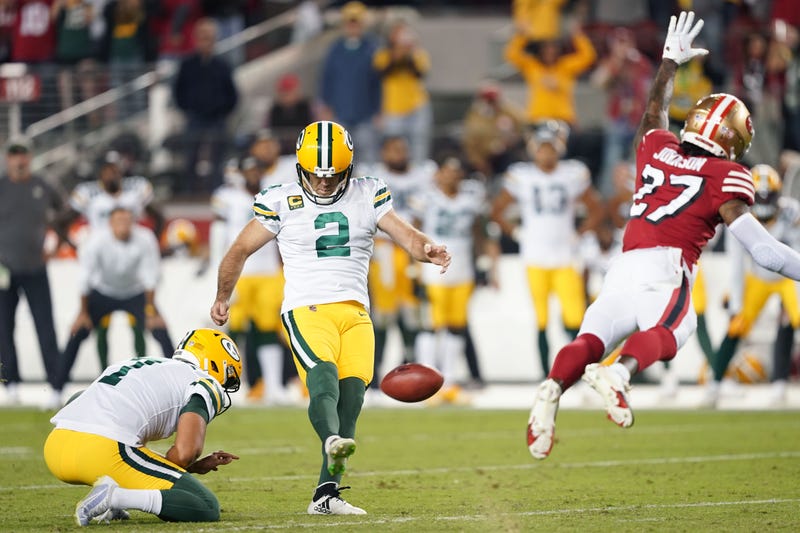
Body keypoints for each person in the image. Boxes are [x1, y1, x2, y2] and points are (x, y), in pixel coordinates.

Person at [526, 11, 800, 461]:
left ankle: (553, 387)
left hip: (625, 263)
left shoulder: (657, 150)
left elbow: (653, 112)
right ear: (731, 139)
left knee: (590, 338)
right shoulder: (726, 175)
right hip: (666, 268)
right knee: (679, 326)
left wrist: (669, 62)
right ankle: (621, 374)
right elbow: (766, 253)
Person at [210, 120, 451, 515]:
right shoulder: (279, 200)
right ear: (301, 168)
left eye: (333, 174)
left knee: (353, 397)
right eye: (316, 174)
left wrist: (429, 249)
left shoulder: (368, 193)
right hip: (306, 308)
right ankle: (329, 441)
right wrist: (223, 296)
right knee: (323, 379)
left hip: (356, 310)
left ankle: (326, 494)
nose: (323, 183)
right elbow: (239, 249)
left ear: (349, 168)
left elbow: (406, 236)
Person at [44, 328, 242, 525]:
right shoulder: (204, 382)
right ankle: (115, 497)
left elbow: (77, 399)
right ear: (216, 364)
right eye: (229, 376)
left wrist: (192, 467)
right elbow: (184, 454)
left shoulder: (141, 363)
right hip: (101, 451)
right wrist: (188, 463)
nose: (226, 384)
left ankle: (115, 493)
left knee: (132, 436)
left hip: (56, 446)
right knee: (205, 505)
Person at [490, 120, 604, 379]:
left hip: (565, 256)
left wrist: (580, 233)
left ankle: (579, 371)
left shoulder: (572, 173)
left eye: (550, 148)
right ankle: (547, 377)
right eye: (541, 148)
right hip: (535, 257)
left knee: (574, 318)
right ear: (533, 150)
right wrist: (517, 233)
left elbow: (597, 209)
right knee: (541, 319)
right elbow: (497, 211)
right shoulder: (522, 175)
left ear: (559, 148)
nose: (546, 153)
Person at [704, 164, 800, 407]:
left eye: (769, 196)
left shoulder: (792, 213)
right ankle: (715, 384)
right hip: (758, 277)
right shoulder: (738, 214)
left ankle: (780, 383)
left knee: (795, 317)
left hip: (789, 278)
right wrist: (736, 302)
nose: (765, 202)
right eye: (761, 196)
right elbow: (737, 264)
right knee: (737, 324)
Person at [58, 150, 165, 366]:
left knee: (140, 324)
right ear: (100, 172)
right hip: (101, 266)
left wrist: (150, 245)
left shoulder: (135, 191)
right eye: (107, 170)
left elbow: (159, 217)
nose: (111, 174)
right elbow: (63, 221)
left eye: (115, 169)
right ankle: (103, 371)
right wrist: (75, 246)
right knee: (100, 326)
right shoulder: (89, 193)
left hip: (131, 266)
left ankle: (140, 370)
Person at [57, 207, 174, 396]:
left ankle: (182, 384)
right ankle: (56, 388)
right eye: (119, 221)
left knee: (160, 329)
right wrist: (83, 313)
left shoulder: (145, 239)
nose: (124, 226)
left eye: (128, 221)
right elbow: (85, 277)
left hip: (136, 293)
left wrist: (151, 311)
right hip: (103, 291)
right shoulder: (96, 241)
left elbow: (151, 276)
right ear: (110, 224)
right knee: (77, 332)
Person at [410, 155, 497, 403]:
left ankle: (447, 381)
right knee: (431, 325)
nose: (452, 177)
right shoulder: (427, 198)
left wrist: (485, 263)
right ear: (439, 174)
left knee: (456, 326)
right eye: (447, 171)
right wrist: (413, 266)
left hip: (462, 270)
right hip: (431, 271)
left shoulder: (471, 199)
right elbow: (413, 232)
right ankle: (425, 382)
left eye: (456, 172)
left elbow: (478, 231)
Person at [361, 135, 436, 390]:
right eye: (393, 149)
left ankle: (411, 369)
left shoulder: (422, 175)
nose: (399, 154)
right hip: (383, 251)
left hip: (410, 250)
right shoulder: (372, 178)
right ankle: (373, 373)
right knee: (381, 314)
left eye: (402, 149)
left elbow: (425, 214)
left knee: (412, 312)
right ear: (383, 153)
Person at [211, 156, 287, 404]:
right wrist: (218, 269)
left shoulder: (273, 196)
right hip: (241, 273)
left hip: (268, 271)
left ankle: (273, 385)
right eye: (249, 170)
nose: (254, 174)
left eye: (257, 170)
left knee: (268, 328)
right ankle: (234, 386)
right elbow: (219, 233)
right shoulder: (228, 197)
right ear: (241, 173)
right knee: (236, 329)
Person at [0, 137, 66, 406]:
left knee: (45, 327)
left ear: (30, 156)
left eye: (23, 154)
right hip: (4, 269)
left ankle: (55, 385)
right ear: (8, 159)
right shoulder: (1, 186)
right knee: (4, 328)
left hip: (36, 267)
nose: (19, 160)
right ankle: (10, 383)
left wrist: (57, 244)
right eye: (14, 155)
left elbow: (66, 213)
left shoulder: (43, 185)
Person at [172, 17, 239, 195]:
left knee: (218, 160)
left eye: (209, 37)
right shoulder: (187, 65)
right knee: (190, 159)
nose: (205, 41)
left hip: (217, 119)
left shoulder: (222, 65)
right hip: (194, 118)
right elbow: (178, 91)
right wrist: (188, 109)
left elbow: (232, 94)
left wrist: (223, 111)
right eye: (202, 37)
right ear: (196, 38)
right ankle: (189, 195)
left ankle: (217, 195)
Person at [319, 1, 381, 167]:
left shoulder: (373, 48)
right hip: (340, 113)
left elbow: (378, 82)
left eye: (357, 22)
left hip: (366, 114)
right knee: (340, 160)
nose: (353, 26)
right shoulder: (335, 49)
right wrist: (325, 105)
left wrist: (379, 110)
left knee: (369, 162)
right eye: (350, 22)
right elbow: (326, 78)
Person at [503, 19, 596, 126]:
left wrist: (578, 36)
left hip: (563, 118)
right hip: (538, 118)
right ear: (540, 52)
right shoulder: (532, 66)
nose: (550, 53)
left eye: (553, 49)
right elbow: (511, 54)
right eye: (546, 50)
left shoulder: (566, 66)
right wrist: (522, 36)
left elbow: (588, 57)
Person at [372, 19, 433, 165]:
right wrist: (399, 51)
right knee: (393, 146)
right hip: (393, 108)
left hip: (417, 105)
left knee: (418, 146)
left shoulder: (417, 53)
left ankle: (418, 177)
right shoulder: (383, 54)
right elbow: (384, 71)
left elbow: (420, 73)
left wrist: (409, 52)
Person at [264, 73, 315, 156]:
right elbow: (266, 134)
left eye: (289, 92)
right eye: (283, 93)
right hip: (280, 156)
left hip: (307, 153)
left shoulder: (310, 108)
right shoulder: (273, 111)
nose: (286, 96)